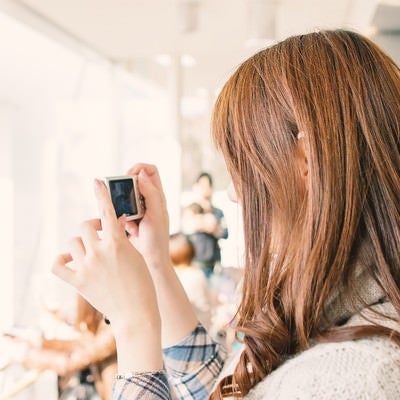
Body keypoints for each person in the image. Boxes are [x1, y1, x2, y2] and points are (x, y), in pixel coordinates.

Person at [52, 30, 400, 399]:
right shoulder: (344, 320)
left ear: (305, 159)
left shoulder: (359, 378)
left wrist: (133, 325)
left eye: (242, 166)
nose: (235, 193)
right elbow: (226, 391)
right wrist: (156, 263)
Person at [9, 295, 117, 400]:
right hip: (105, 388)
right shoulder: (105, 316)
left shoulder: (114, 328)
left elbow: (75, 359)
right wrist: (41, 342)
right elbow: (84, 343)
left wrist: (31, 355)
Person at [182, 173, 228, 279]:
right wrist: (208, 224)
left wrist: (208, 225)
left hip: (213, 265)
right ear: (195, 187)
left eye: (208, 186)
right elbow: (187, 227)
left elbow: (225, 233)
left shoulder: (217, 212)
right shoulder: (190, 209)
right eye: (202, 185)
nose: (205, 189)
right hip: (195, 265)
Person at [169, 232, 212, 329]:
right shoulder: (196, 274)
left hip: (184, 327)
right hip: (199, 326)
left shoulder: (174, 275)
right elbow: (205, 306)